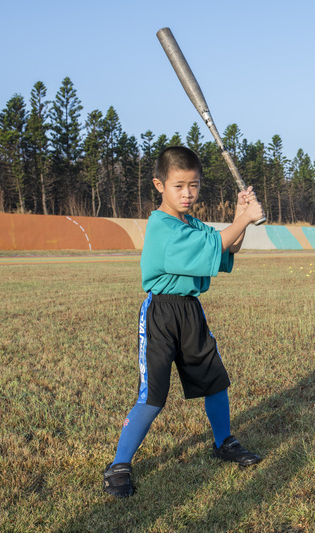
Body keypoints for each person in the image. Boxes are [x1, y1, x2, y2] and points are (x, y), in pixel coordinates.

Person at [102, 146, 264, 499]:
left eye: (194, 185)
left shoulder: (191, 223)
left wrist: (240, 216)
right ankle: (118, 466)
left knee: (213, 379)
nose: (187, 193)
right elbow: (216, 243)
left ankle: (224, 442)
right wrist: (244, 219)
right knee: (153, 395)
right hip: (161, 313)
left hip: (190, 311)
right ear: (159, 185)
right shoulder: (162, 226)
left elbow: (226, 247)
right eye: (179, 186)